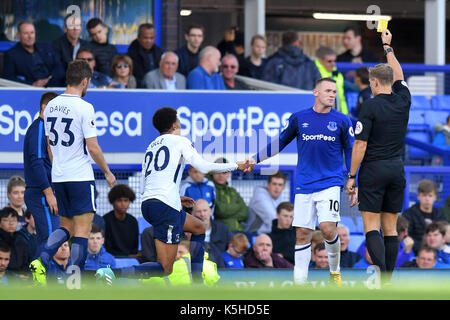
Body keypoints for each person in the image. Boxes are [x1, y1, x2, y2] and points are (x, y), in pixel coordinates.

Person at [96, 107, 249, 284]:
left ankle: (198, 282)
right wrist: (236, 166)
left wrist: (176, 198)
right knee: (165, 268)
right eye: (179, 121)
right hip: (164, 207)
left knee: (199, 228)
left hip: (150, 204)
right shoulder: (180, 141)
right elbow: (204, 167)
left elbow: (145, 185)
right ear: (174, 124)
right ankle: (112, 272)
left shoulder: (151, 147)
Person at [246, 76, 355, 286]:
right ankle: (300, 284)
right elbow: (279, 142)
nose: (332, 95)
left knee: (327, 228)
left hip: (330, 182)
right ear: (316, 92)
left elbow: (350, 150)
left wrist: (353, 178)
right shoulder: (299, 118)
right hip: (304, 184)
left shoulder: (342, 121)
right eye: (328, 91)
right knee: (303, 233)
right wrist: (255, 158)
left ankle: (335, 272)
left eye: (334, 92)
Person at [30, 59, 116, 286]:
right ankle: (74, 282)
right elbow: (93, 146)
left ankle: (41, 258)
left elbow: (49, 147)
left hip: (59, 176)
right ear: (85, 80)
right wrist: (107, 171)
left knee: (65, 227)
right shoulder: (84, 107)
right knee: (82, 232)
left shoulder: (50, 107)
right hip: (80, 176)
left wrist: (59, 166)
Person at [345, 29, 412, 285]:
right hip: (397, 169)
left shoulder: (370, 106)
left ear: (373, 82)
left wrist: (352, 176)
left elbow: (360, 145)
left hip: (374, 170)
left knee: (371, 227)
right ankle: (388, 282)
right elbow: (400, 74)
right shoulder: (403, 99)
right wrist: (388, 47)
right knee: (391, 229)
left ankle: (380, 278)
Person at [23, 92, 60, 251]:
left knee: (47, 242)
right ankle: (48, 276)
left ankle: (39, 275)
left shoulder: (45, 129)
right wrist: (49, 194)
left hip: (44, 193)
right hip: (41, 193)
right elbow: (37, 162)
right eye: (56, 110)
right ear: (45, 108)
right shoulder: (39, 128)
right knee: (52, 242)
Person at [3, 21, 65, 87]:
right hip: (29, 91)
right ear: (18, 35)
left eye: (32, 33)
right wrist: (32, 85)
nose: (30, 36)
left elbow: (59, 67)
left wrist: (50, 79)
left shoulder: (47, 47)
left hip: (54, 87)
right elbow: (9, 78)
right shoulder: (11, 54)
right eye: (26, 33)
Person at [402, 179, 447, 255]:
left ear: (435, 197)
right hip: (415, 253)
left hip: (438, 253)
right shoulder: (409, 214)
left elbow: (445, 235)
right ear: (418, 196)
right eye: (424, 195)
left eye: (430, 195)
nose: (427, 199)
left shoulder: (440, 215)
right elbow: (405, 235)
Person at [209, 158, 249, 232]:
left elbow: (245, 213)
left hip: (239, 231)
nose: (221, 175)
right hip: (221, 233)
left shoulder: (232, 191)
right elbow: (220, 211)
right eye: (218, 172)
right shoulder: (210, 189)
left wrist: (226, 216)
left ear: (229, 173)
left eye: (224, 172)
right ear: (212, 173)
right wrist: (237, 208)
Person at [191, 199, 233, 268]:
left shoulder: (223, 229)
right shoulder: (188, 233)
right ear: (192, 214)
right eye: (198, 211)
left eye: (205, 210)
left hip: (222, 269)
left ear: (210, 212)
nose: (202, 214)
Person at [103, 184, 139, 258]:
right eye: (119, 200)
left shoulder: (133, 221)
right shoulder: (105, 220)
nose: (123, 204)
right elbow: (106, 247)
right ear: (113, 201)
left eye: (126, 200)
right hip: (111, 258)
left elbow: (134, 247)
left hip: (130, 258)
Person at [315, 46, 348, 115]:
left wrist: (345, 114)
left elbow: (341, 98)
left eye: (334, 61)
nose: (333, 64)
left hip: (338, 114)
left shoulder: (338, 75)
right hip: (321, 115)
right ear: (321, 61)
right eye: (329, 61)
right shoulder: (315, 73)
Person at [127, 23, 163, 88]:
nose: (148, 41)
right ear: (138, 37)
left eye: (151, 38)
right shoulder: (131, 54)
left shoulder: (159, 52)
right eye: (145, 38)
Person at [0, 207, 30, 273]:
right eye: (6, 220)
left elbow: (26, 264)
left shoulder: (22, 241)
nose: (11, 223)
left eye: (14, 220)